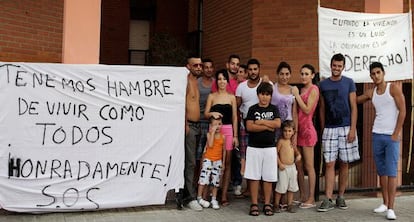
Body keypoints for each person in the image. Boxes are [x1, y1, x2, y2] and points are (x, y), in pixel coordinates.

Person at [357, 62, 406, 220]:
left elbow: (403, 111)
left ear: (383, 73)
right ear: (371, 76)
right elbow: (356, 100)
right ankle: (384, 203)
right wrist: (347, 91)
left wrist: (396, 133)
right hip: (377, 134)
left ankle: (391, 208)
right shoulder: (371, 92)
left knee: (392, 173)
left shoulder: (393, 88)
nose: (376, 76)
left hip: (391, 136)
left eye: (378, 72)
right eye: (373, 74)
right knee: (382, 172)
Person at [317, 53, 360, 212]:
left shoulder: (349, 83)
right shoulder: (323, 85)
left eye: (339, 66)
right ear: (331, 65)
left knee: (344, 163)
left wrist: (353, 129)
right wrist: (323, 128)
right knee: (329, 163)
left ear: (343, 67)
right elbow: (321, 108)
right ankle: (327, 198)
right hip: (329, 128)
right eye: (334, 65)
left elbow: (354, 106)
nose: (336, 68)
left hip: (346, 127)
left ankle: (340, 196)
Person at [245, 81, 281, 216]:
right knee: (254, 177)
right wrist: (268, 126)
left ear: (271, 96)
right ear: (258, 94)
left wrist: (261, 122)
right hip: (254, 148)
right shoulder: (252, 109)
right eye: (262, 94)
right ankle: (254, 204)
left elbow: (277, 123)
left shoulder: (274, 108)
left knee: (268, 177)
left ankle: (267, 203)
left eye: (267, 94)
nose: (264, 97)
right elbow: (250, 127)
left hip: (270, 148)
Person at [204, 69, 239, 206]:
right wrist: (214, 112)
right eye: (219, 79)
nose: (222, 81)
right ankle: (210, 194)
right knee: (211, 161)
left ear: (227, 81)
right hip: (214, 130)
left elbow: (235, 117)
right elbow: (206, 114)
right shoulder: (212, 96)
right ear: (216, 81)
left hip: (228, 130)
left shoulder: (232, 97)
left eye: (224, 79)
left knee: (227, 164)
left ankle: (223, 195)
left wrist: (235, 135)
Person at [176, 55, 203, 211]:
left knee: (194, 162)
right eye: (195, 65)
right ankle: (189, 197)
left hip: (197, 126)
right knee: (190, 162)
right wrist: (185, 123)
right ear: (188, 66)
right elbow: (182, 103)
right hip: (189, 127)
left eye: (200, 65)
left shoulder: (196, 82)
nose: (198, 67)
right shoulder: (185, 81)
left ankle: (188, 194)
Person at [291, 64, 319, 208]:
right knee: (299, 165)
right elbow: (296, 112)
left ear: (312, 75)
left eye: (306, 74)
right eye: (301, 73)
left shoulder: (314, 89)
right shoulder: (301, 89)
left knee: (309, 166)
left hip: (308, 131)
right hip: (299, 131)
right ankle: (302, 195)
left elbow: (307, 110)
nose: (303, 76)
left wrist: (296, 95)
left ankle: (311, 197)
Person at [235, 59, 263, 197]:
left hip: (262, 126)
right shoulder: (241, 87)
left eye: (255, 69)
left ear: (259, 70)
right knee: (246, 157)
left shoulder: (266, 84)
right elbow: (237, 108)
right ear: (247, 72)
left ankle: (262, 191)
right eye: (250, 69)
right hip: (245, 127)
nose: (253, 72)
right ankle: (248, 188)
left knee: (261, 157)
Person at [197, 116, 227, 210]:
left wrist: (223, 163)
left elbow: (224, 151)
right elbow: (210, 144)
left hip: (218, 161)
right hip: (208, 160)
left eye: (219, 124)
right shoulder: (209, 134)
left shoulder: (223, 137)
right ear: (210, 126)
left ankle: (214, 198)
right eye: (214, 125)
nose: (217, 126)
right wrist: (212, 132)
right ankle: (199, 197)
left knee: (216, 180)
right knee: (204, 179)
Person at [274, 120, 301, 213]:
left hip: (292, 167)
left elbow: (296, 151)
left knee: (291, 187)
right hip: (283, 168)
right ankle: (276, 204)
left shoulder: (292, 142)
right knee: (281, 187)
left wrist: (298, 156)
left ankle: (290, 205)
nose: (287, 133)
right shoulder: (281, 141)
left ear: (293, 132)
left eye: (289, 131)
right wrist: (279, 163)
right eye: (285, 131)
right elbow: (275, 153)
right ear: (282, 131)